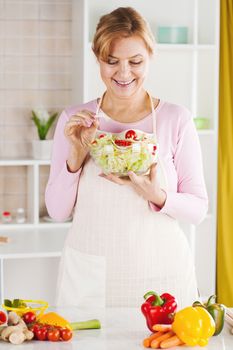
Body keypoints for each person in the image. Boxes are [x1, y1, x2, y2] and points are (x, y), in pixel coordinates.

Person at [45, 7, 208, 308]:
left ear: (150, 56)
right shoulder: (75, 120)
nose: (123, 73)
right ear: (97, 58)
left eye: (135, 62)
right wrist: (76, 155)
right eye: (111, 62)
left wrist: (156, 195)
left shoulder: (175, 119)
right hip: (89, 282)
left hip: (163, 277)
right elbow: (57, 211)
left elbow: (198, 209)